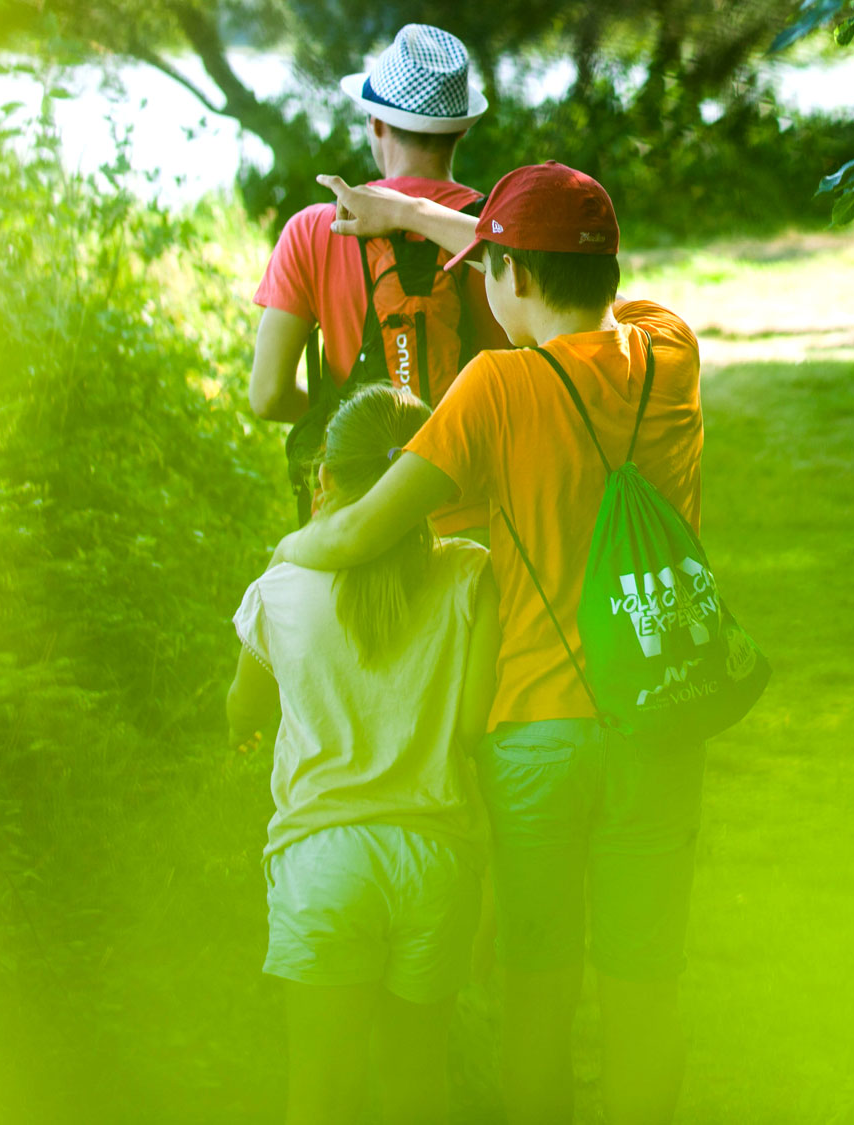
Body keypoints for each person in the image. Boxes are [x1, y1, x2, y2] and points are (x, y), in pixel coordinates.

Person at [272, 162, 706, 1125]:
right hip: (661, 717)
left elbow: (353, 533)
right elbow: (570, 279)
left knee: (538, 1005)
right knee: (645, 995)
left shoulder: (492, 390)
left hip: (537, 740)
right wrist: (424, 214)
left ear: (507, 275)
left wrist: (280, 562)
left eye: (485, 268)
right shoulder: (669, 350)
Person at [225, 384, 500, 1125]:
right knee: (417, 1086)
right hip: (435, 861)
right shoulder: (472, 575)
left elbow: (243, 705)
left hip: (323, 863)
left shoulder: (279, 588)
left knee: (320, 1091)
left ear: (325, 479)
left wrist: (243, 730)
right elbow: (473, 726)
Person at [248, 23, 507, 536]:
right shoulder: (496, 233)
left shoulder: (314, 231)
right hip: (482, 524)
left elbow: (268, 395)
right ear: (460, 129)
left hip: (361, 521)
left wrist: (346, 424)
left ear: (376, 124)